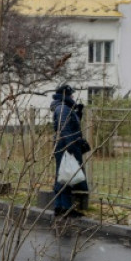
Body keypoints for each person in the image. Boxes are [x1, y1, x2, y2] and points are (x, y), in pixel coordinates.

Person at [51, 84, 90, 217]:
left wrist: (78, 113)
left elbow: (70, 125)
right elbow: (65, 129)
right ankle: (65, 208)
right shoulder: (63, 108)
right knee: (65, 176)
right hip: (65, 146)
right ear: (65, 95)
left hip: (63, 145)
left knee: (62, 176)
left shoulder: (63, 107)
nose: (73, 96)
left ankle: (60, 207)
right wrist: (71, 148)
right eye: (71, 94)